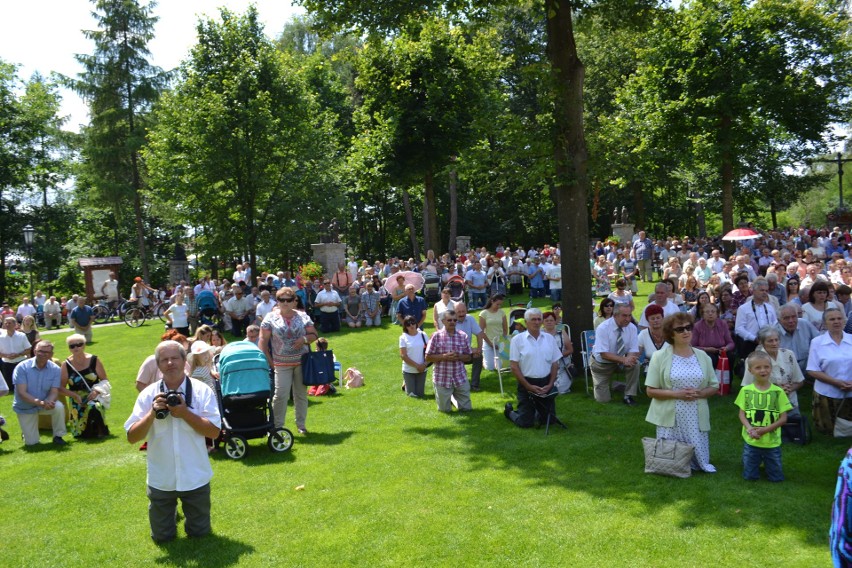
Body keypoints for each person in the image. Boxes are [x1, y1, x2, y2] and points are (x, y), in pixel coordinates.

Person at [125, 341, 221, 543]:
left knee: (200, 535)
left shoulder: (202, 391)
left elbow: (214, 431)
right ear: (158, 365)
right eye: (164, 360)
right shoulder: (148, 394)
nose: (170, 363)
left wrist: (185, 413)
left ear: (184, 360)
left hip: (195, 475)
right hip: (162, 477)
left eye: (174, 358)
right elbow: (132, 437)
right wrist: (152, 413)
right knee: (162, 537)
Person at [645, 313, 719, 473]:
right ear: (671, 334)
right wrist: (676, 394)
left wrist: (699, 393)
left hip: (695, 411)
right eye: (680, 329)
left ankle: (697, 462)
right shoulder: (659, 357)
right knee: (669, 456)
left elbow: (714, 386)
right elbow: (650, 390)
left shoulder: (703, 356)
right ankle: (670, 464)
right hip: (671, 412)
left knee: (698, 453)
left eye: (688, 328)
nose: (686, 332)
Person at [260, 288, 317, 435]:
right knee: (280, 395)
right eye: (281, 300)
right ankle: (277, 426)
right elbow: (263, 341)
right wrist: (267, 361)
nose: (285, 303)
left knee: (301, 395)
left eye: (289, 300)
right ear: (277, 301)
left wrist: (304, 339)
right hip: (280, 363)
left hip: (302, 362)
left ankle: (301, 425)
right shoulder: (270, 318)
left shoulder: (303, 316)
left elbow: (314, 335)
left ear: (294, 301)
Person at [735, 351, 792, 482]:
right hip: (751, 440)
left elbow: (783, 418)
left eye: (766, 367)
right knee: (749, 476)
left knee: (776, 477)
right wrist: (749, 429)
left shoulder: (778, 392)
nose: (763, 370)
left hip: (772, 442)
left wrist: (765, 430)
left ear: (771, 368)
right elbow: (741, 414)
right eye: (758, 367)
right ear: (750, 370)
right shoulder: (746, 391)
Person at [504, 308, 561, 427]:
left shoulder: (549, 339)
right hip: (526, 383)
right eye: (533, 319)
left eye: (539, 319)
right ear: (526, 321)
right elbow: (514, 367)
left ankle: (535, 411)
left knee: (550, 421)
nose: (536, 322)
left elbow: (555, 363)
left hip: (546, 382)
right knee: (525, 423)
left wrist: (550, 384)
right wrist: (528, 386)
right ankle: (509, 412)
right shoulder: (517, 340)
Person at [12, 340, 67, 446]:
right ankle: (28, 434)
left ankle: (58, 436)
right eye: (40, 351)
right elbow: (22, 393)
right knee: (32, 443)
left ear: (51, 354)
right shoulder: (22, 367)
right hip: (25, 406)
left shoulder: (55, 369)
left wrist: (50, 401)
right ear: (35, 351)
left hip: (44, 404)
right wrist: (40, 403)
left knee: (58, 406)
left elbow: (54, 391)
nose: (43, 354)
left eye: (46, 352)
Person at [807, 307, 852, 434]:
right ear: (825, 323)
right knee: (826, 431)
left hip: (851, 390)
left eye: (839, 318)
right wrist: (836, 382)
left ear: (844, 321)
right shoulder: (817, 342)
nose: (836, 322)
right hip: (827, 393)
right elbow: (812, 369)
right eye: (832, 319)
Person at [742, 327, 804, 416]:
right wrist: (776, 391)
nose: (775, 343)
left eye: (776, 340)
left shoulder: (789, 354)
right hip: (765, 406)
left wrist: (789, 389)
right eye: (770, 341)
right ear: (762, 342)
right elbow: (747, 388)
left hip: (790, 403)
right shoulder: (752, 360)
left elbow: (799, 381)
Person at [59, 334, 111, 439]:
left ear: (84, 345)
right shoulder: (66, 364)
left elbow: (105, 379)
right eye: (72, 346)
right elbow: (61, 387)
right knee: (80, 435)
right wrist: (73, 395)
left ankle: (100, 430)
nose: (76, 348)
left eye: (79, 344)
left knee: (94, 407)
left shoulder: (94, 360)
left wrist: (96, 391)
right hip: (77, 400)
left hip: (94, 395)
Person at [590, 304, 641, 406]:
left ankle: (628, 396)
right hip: (602, 365)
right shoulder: (603, 328)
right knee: (603, 401)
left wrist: (629, 358)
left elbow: (633, 349)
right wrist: (624, 360)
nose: (628, 319)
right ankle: (616, 385)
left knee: (635, 364)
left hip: (620, 361)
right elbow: (604, 354)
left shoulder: (632, 328)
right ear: (615, 315)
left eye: (629, 315)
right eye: (624, 316)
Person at [425, 310, 473, 412]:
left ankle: (453, 398)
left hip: (459, 377)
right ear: (443, 321)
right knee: (445, 411)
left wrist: (459, 356)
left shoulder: (463, 336)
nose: (452, 322)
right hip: (442, 378)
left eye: (455, 320)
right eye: (449, 320)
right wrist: (444, 356)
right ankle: (449, 398)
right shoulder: (436, 336)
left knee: (467, 409)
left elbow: (469, 357)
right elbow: (428, 357)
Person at [734, 277, 778, 359]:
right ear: (753, 291)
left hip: (769, 343)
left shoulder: (770, 308)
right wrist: (754, 339)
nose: (764, 293)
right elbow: (739, 328)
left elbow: (775, 324)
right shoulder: (743, 308)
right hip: (750, 344)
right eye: (762, 290)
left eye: (766, 291)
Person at [775, 304, 819, 376]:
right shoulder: (773, 332)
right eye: (786, 318)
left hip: (808, 369)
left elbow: (819, 342)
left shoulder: (805, 324)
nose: (791, 321)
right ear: (779, 320)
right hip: (785, 372)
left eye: (794, 317)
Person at [690, 303, 735, 367]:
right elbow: (692, 347)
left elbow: (731, 343)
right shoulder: (697, 326)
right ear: (703, 314)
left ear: (717, 314)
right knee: (711, 358)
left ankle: (726, 376)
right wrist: (706, 349)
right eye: (707, 312)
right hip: (704, 352)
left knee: (730, 356)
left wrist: (726, 348)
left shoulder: (723, 324)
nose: (710, 313)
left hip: (721, 351)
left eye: (713, 311)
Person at [542, 310, 573, 394]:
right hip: (545, 365)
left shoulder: (561, 331)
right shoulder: (540, 334)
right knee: (546, 388)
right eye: (546, 321)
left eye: (551, 320)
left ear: (555, 321)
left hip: (562, 365)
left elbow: (570, 350)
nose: (549, 322)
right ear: (543, 322)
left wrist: (557, 355)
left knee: (560, 390)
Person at [399, 315, 429, 398]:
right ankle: (406, 384)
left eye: (413, 323)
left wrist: (424, 365)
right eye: (408, 324)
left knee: (420, 394)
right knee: (411, 394)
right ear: (405, 327)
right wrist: (417, 366)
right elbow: (403, 356)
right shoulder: (403, 338)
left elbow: (430, 351)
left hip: (422, 369)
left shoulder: (423, 334)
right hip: (409, 369)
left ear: (416, 324)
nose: (411, 325)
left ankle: (407, 383)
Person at [479, 294, 508, 376]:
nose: (499, 306)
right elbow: (481, 331)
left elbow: (505, 328)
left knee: (501, 367)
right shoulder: (483, 313)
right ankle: (483, 361)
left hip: (500, 342)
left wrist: (502, 341)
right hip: (488, 341)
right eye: (497, 304)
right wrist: (490, 344)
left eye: (500, 304)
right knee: (490, 368)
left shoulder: (502, 312)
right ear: (492, 301)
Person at [0, 316, 31, 393]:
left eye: (9, 323)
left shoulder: (21, 336)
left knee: (23, 384)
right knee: (10, 388)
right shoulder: (1, 338)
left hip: (20, 362)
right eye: (6, 323)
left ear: (15, 325)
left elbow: (28, 349)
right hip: (7, 364)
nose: (7, 325)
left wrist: (18, 354)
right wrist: (6, 356)